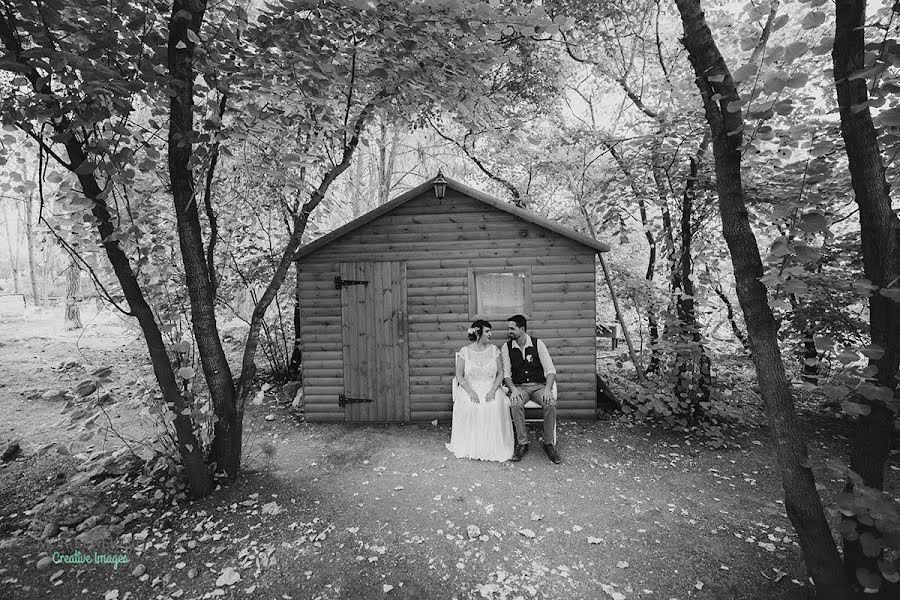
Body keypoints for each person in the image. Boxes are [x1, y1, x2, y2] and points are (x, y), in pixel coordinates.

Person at [446, 320, 515, 461]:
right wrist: (470, 391)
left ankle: (492, 447)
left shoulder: (494, 350)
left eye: (490, 331)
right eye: (487, 331)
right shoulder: (465, 352)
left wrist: (493, 390)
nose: (491, 334)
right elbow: (459, 375)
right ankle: (473, 446)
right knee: (472, 404)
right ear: (478, 333)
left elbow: (501, 373)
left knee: (493, 404)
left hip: (491, 386)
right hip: (470, 387)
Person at [501, 314, 561, 464]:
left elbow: (551, 370)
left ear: (522, 329)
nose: (509, 331)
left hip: (539, 386)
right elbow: (506, 374)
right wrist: (513, 389)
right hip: (520, 387)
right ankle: (522, 443)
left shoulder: (537, 343)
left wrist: (548, 389)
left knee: (550, 404)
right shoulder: (507, 347)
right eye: (508, 328)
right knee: (515, 404)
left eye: (512, 328)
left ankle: (549, 444)